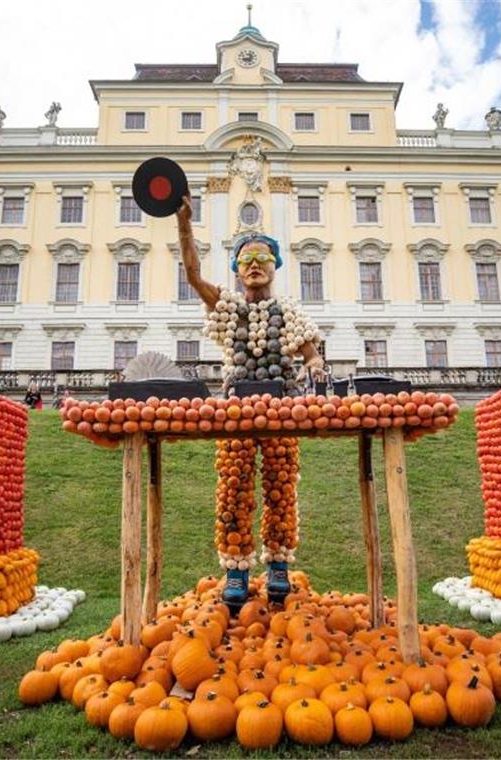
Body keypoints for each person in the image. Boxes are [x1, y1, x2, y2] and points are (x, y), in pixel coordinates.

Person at [176, 195, 326, 610]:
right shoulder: (228, 307)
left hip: (282, 411)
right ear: (238, 269)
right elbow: (192, 275)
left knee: (281, 486)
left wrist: (314, 364)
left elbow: (310, 352)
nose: (255, 264)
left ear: (275, 265)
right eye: (246, 259)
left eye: (263, 257)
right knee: (233, 487)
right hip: (237, 413)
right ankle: (237, 571)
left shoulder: (289, 312)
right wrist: (184, 224)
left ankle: (278, 564)